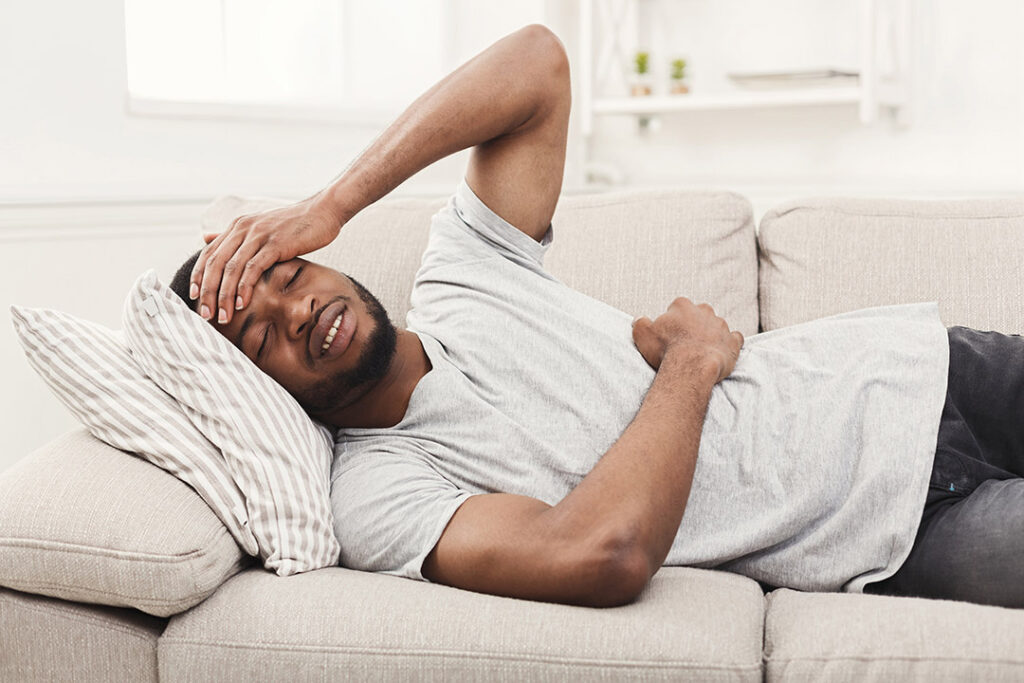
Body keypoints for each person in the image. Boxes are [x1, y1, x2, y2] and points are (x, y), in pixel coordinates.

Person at [173, 25, 1024, 609]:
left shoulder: (467, 272)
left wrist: (333, 200)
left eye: (286, 273)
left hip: (927, 367)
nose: (297, 310)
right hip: (901, 528)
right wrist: (691, 364)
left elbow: (536, 60)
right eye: (258, 336)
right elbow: (602, 554)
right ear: (255, 386)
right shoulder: (376, 490)